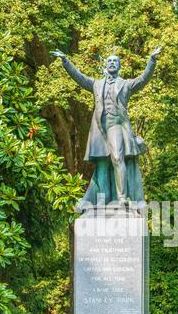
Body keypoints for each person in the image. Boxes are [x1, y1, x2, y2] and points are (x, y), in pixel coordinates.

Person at [51, 46, 162, 209]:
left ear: (119, 66)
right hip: (99, 129)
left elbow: (143, 79)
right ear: (105, 65)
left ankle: (122, 197)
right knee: (102, 163)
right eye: (109, 61)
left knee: (117, 157)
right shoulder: (96, 84)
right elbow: (79, 78)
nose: (111, 63)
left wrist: (151, 60)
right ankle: (102, 200)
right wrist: (65, 61)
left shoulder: (126, 85)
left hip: (116, 125)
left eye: (115, 61)